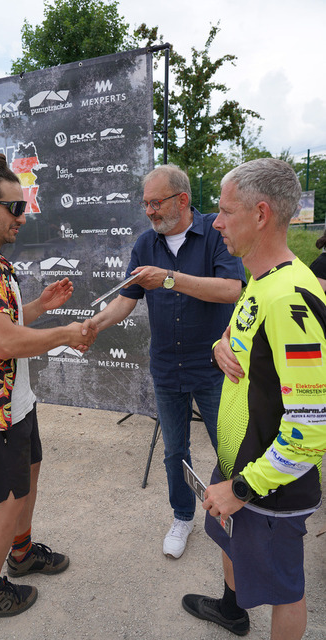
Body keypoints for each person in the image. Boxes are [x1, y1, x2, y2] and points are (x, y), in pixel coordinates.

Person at [0, 153, 97, 619]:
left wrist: (40, 307)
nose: (22, 218)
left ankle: (23, 553)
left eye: (23, 207)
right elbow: (4, 342)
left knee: (28, 478)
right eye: (14, 208)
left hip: (14, 400)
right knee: (7, 502)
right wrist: (66, 334)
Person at [182, 158, 326, 639]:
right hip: (238, 463)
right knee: (227, 541)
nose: (215, 223)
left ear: (261, 214)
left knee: (286, 590)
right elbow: (242, 339)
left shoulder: (290, 297)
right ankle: (232, 610)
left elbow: (311, 429)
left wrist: (243, 489)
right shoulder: (261, 281)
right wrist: (220, 345)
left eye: (225, 211)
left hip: (268, 485)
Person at [92, 164, 246, 558]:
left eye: (156, 203)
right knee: (174, 451)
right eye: (145, 203)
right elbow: (126, 299)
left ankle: (240, 516)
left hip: (215, 368)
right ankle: (183, 516)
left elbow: (232, 289)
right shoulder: (146, 244)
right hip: (166, 367)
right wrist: (93, 325)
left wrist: (169, 278)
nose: (149, 211)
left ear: (183, 199)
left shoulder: (215, 233)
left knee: (230, 449)